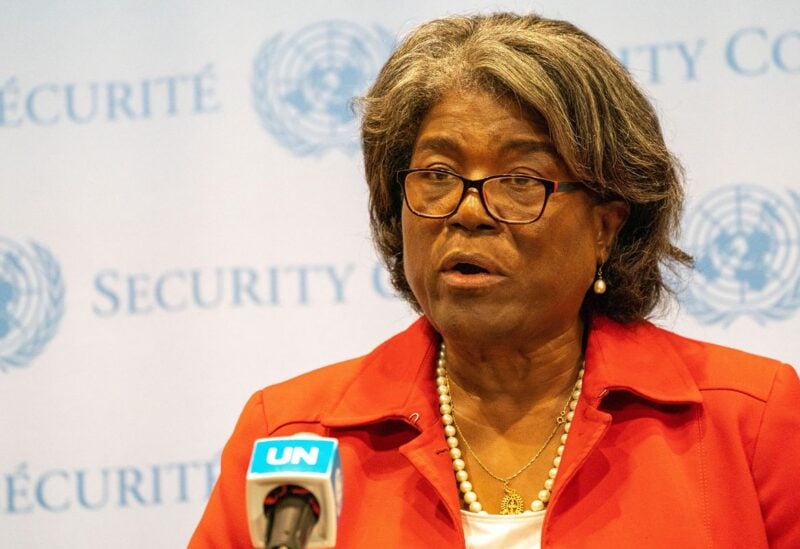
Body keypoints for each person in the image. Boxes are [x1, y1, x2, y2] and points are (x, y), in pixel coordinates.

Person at [190, 12, 800, 548]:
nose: (468, 209)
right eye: (436, 172)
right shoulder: (292, 437)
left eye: (520, 179)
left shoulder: (748, 421)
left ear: (606, 226)